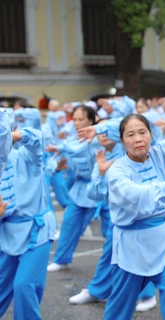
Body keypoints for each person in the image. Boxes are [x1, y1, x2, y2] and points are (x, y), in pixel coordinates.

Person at [77, 112, 165, 319]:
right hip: (131, 245)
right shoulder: (117, 170)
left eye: (143, 132)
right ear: (122, 140)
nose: (138, 139)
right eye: (130, 135)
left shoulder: (163, 152)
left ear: (151, 134)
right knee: (120, 306)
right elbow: (133, 196)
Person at [0, 128, 56, 320]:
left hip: (36, 231)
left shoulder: (25, 157)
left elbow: (35, 138)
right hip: (6, 233)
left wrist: (11, 135)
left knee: (24, 285)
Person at [46, 105, 100, 271]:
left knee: (112, 233)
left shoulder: (96, 139)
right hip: (78, 188)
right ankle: (62, 259)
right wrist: (57, 167)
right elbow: (52, 164)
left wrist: (61, 147)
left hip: (100, 190)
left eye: (81, 119)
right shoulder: (70, 140)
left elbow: (79, 149)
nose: (76, 123)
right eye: (74, 119)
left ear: (90, 121)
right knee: (70, 223)